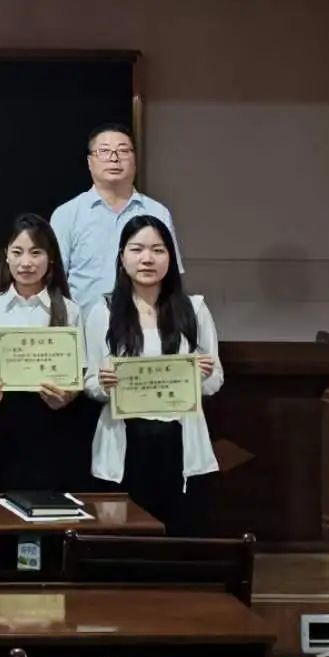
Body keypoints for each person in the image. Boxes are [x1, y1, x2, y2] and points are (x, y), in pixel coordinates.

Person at [86, 215, 223, 534]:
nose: (147, 258)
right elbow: (90, 383)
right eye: (137, 249)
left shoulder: (194, 309)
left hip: (180, 439)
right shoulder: (103, 312)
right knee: (126, 537)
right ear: (122, 257)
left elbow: (216, 379)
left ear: (171, 258)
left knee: (179, 533)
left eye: (158, 250)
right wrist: (104, 384)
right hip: (125, 441)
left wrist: (202, 374)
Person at [0, 214, 95, 494]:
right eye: (17, 252)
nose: (26, 262)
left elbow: (79, 374)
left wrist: (65, 397)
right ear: (6, 256)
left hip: (55, 424)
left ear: (50, 258)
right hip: (4, 424)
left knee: (53, 508)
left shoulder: (69, 310)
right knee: (1, 506)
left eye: (36, 252)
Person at [50, 123, 179, 308]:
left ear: (135, 159)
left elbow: (171, 275)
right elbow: (53, 278)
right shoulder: (66, 214)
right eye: (104, 151)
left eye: (123, 151)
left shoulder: (157, 212)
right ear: (89, 162)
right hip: (84, 323)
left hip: (145, 322)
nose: (114, 158)